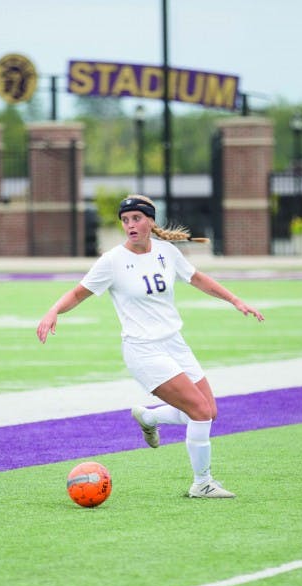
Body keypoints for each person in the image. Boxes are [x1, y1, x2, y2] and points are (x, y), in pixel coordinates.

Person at [37, 195, 264, 498]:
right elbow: (78, 293)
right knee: (197, 411)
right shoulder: (112, 261)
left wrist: (235, 300)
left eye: (136, 218)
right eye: (125, 219)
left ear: (150, 221)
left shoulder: (167, 252)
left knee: (209, 412)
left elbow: (198, 279)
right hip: (143, 350)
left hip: (175, 343)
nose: (130, 224)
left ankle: (152, 417)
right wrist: (53, 311)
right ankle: (202, 483)